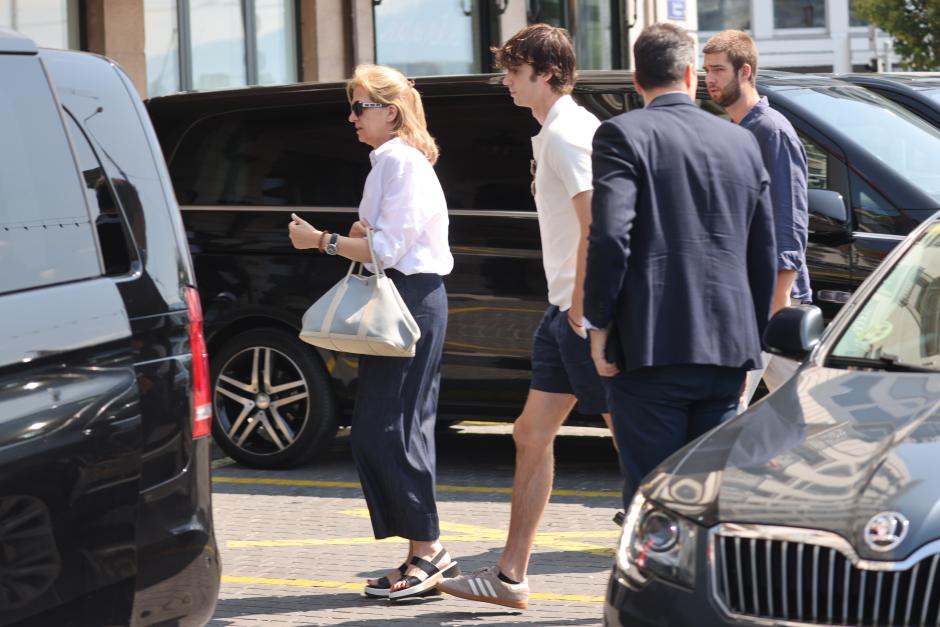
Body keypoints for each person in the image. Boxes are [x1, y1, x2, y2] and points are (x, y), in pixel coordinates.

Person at [438, 23, 613, 610]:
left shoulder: (568, 135)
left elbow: (600, 225)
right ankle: (511, 575)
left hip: (580, 311)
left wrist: (586, 310)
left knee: (636, 441)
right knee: (530, 433)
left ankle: (682, 565)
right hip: (562, 307)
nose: (505, 81)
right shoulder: (551, 133)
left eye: (514, 71)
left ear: (546, 73)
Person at [583, 22, 777, 508]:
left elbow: (610, 236)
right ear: (690, 74)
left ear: (636, 79)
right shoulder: (740, 141)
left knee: (654, 501)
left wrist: (599, 324)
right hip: (727, 351)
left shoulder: (621, 134)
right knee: (706, 500)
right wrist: (750, 339)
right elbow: (763, 252)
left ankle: (654, 585)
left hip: (651, 347)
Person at [287, 64, 457, 602]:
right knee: (396, 427)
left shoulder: (401, 163)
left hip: (411, 300)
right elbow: (384, 237)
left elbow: (385, 251)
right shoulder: (390, 163)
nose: (352, 116)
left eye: (361, 106)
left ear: (391, 110)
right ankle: (421, 551)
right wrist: (358, 233)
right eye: (354, 106)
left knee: (387, 429)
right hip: (408, 298)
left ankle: (427, 552)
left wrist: (322, 241)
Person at [703, 30, 811, 410]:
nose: (709, 79)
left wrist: (780, 296)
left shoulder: (770, 130)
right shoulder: (739, 130)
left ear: (744, 71)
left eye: (718, 70)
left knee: (732, 403)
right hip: (750, 293)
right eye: (706, 70)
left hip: (768, 297)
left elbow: (790, 216)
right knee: (799, 410)